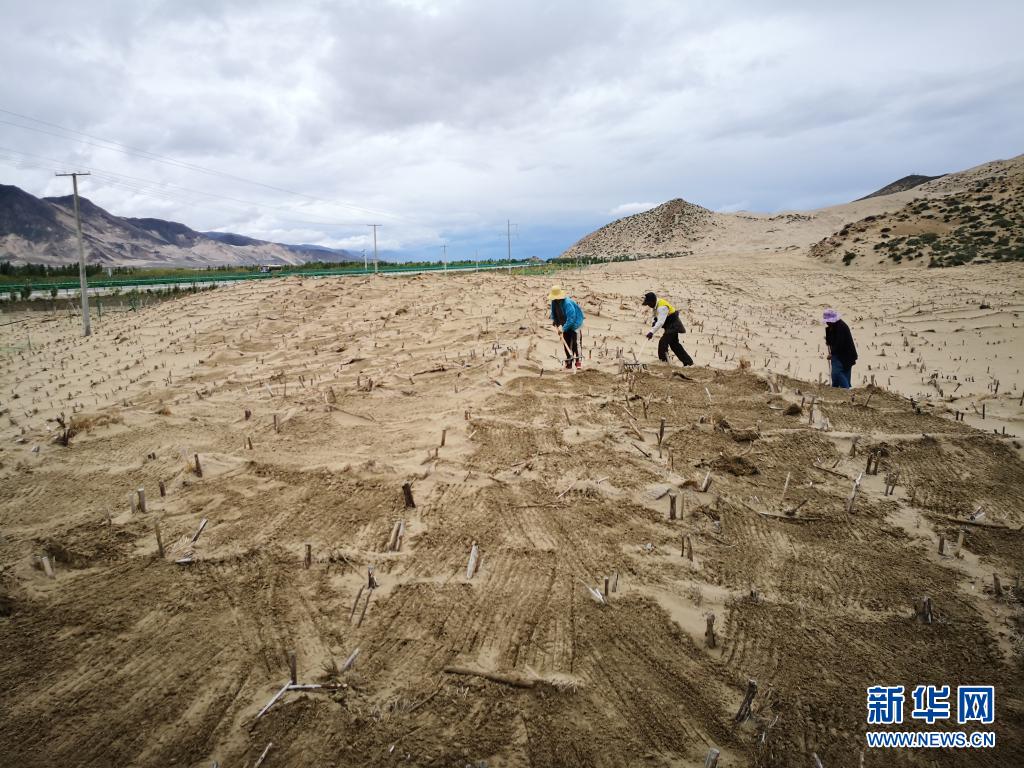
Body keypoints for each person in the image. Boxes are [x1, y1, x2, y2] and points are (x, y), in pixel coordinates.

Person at [642, 291, 693, 366]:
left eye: (649, 303)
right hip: (670, 326)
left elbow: (661, 322)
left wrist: (651, 332)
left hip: (673, 325)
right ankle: (688, 363)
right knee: (674, 345)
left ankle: (664, 363)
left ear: (653, 301)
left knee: (663, 343)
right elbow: (656, 316)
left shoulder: (662, 307)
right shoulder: (656, 304)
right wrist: (655, 321)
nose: (648, 305)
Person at [548, 286, 585, 369]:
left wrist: (563, 329)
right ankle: (569, 362)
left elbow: (571, 319)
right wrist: (556, 322)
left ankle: (578, 361)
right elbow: (554, 314)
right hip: (565, 323)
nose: (556, 299)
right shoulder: (554, 302)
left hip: (576, 323)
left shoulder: (567, 303)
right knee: (567, 342)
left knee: (576, 343)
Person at [823, 308, 857, 388]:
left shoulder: (840, 327)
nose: (827, 323)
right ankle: (837, 390)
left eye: (828, 321)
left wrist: (832, 354)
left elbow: (839, 343)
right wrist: (828, 341)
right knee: (840, 375)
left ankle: (845, 391)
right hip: (846, 355)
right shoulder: (834, 326)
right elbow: (833, 340)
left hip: (844, 356)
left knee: (837, 373)